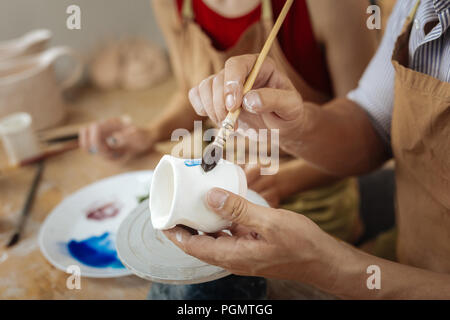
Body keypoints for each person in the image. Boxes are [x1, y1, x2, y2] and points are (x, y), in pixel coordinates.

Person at [80, 0, 377, 299]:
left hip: (313, 195)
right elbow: (192, 95)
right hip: (223, 183)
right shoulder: (171, 4)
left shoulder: (333, 5)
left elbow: (370, 136)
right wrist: (151, 131)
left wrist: (278, 181)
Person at [168, 0, 450, 298]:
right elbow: (373, 122)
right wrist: (295, 127)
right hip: (410, 251)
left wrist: (329, 267)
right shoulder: (421, 4)